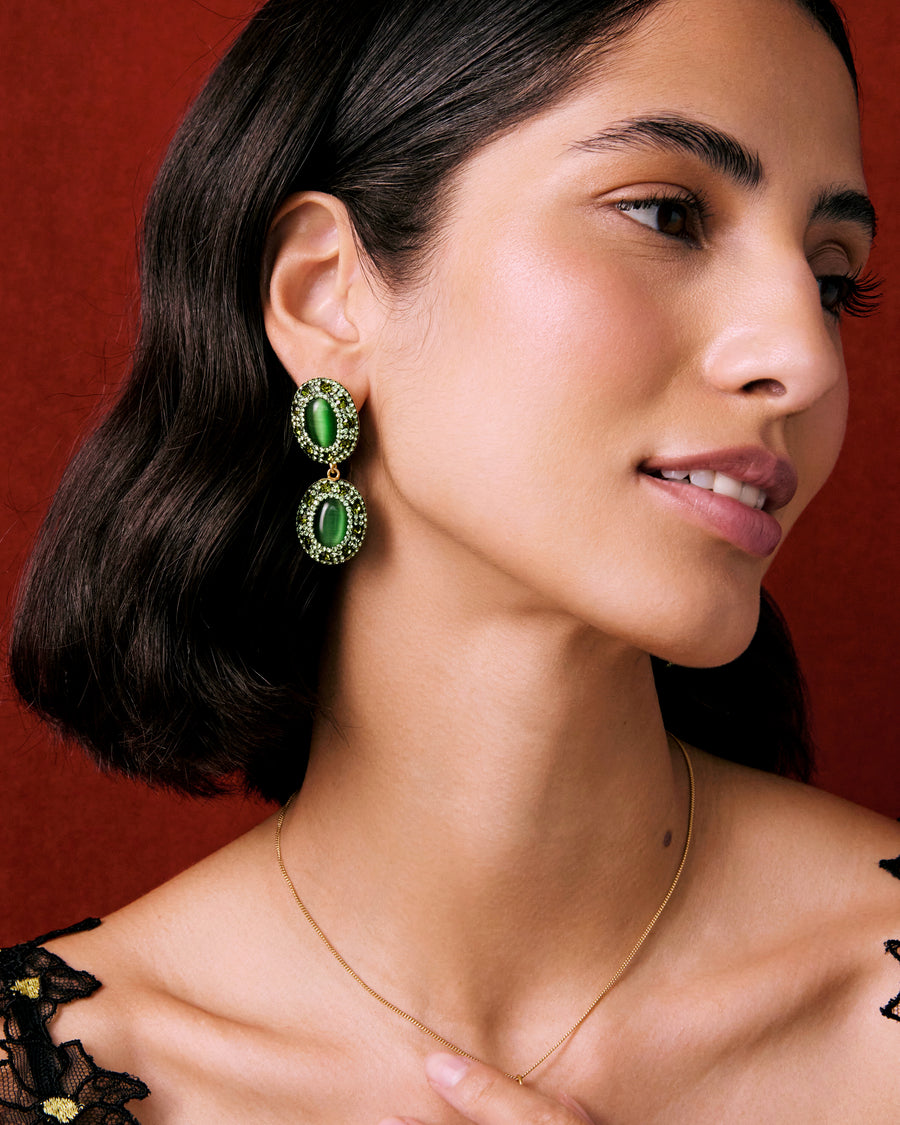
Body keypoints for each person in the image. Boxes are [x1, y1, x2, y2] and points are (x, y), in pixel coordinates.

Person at [2, 0, 898, 1121]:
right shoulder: (46, 1076)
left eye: (832, 275)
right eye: (667, 213)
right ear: (328, 295)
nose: (805, 359)